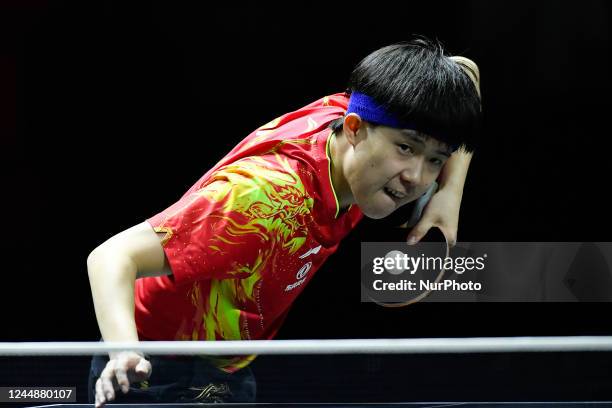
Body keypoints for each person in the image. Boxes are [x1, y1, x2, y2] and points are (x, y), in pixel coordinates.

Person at [87, 38, 482, 407]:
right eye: (405, 148)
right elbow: (111, 257)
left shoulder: (366, 116)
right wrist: (124, 351)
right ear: (355, 129)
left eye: (435, 159)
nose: (417, 177)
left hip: (228, 362)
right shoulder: (264, 199)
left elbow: (465, 73)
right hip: (156, 371)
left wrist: (449, 196)